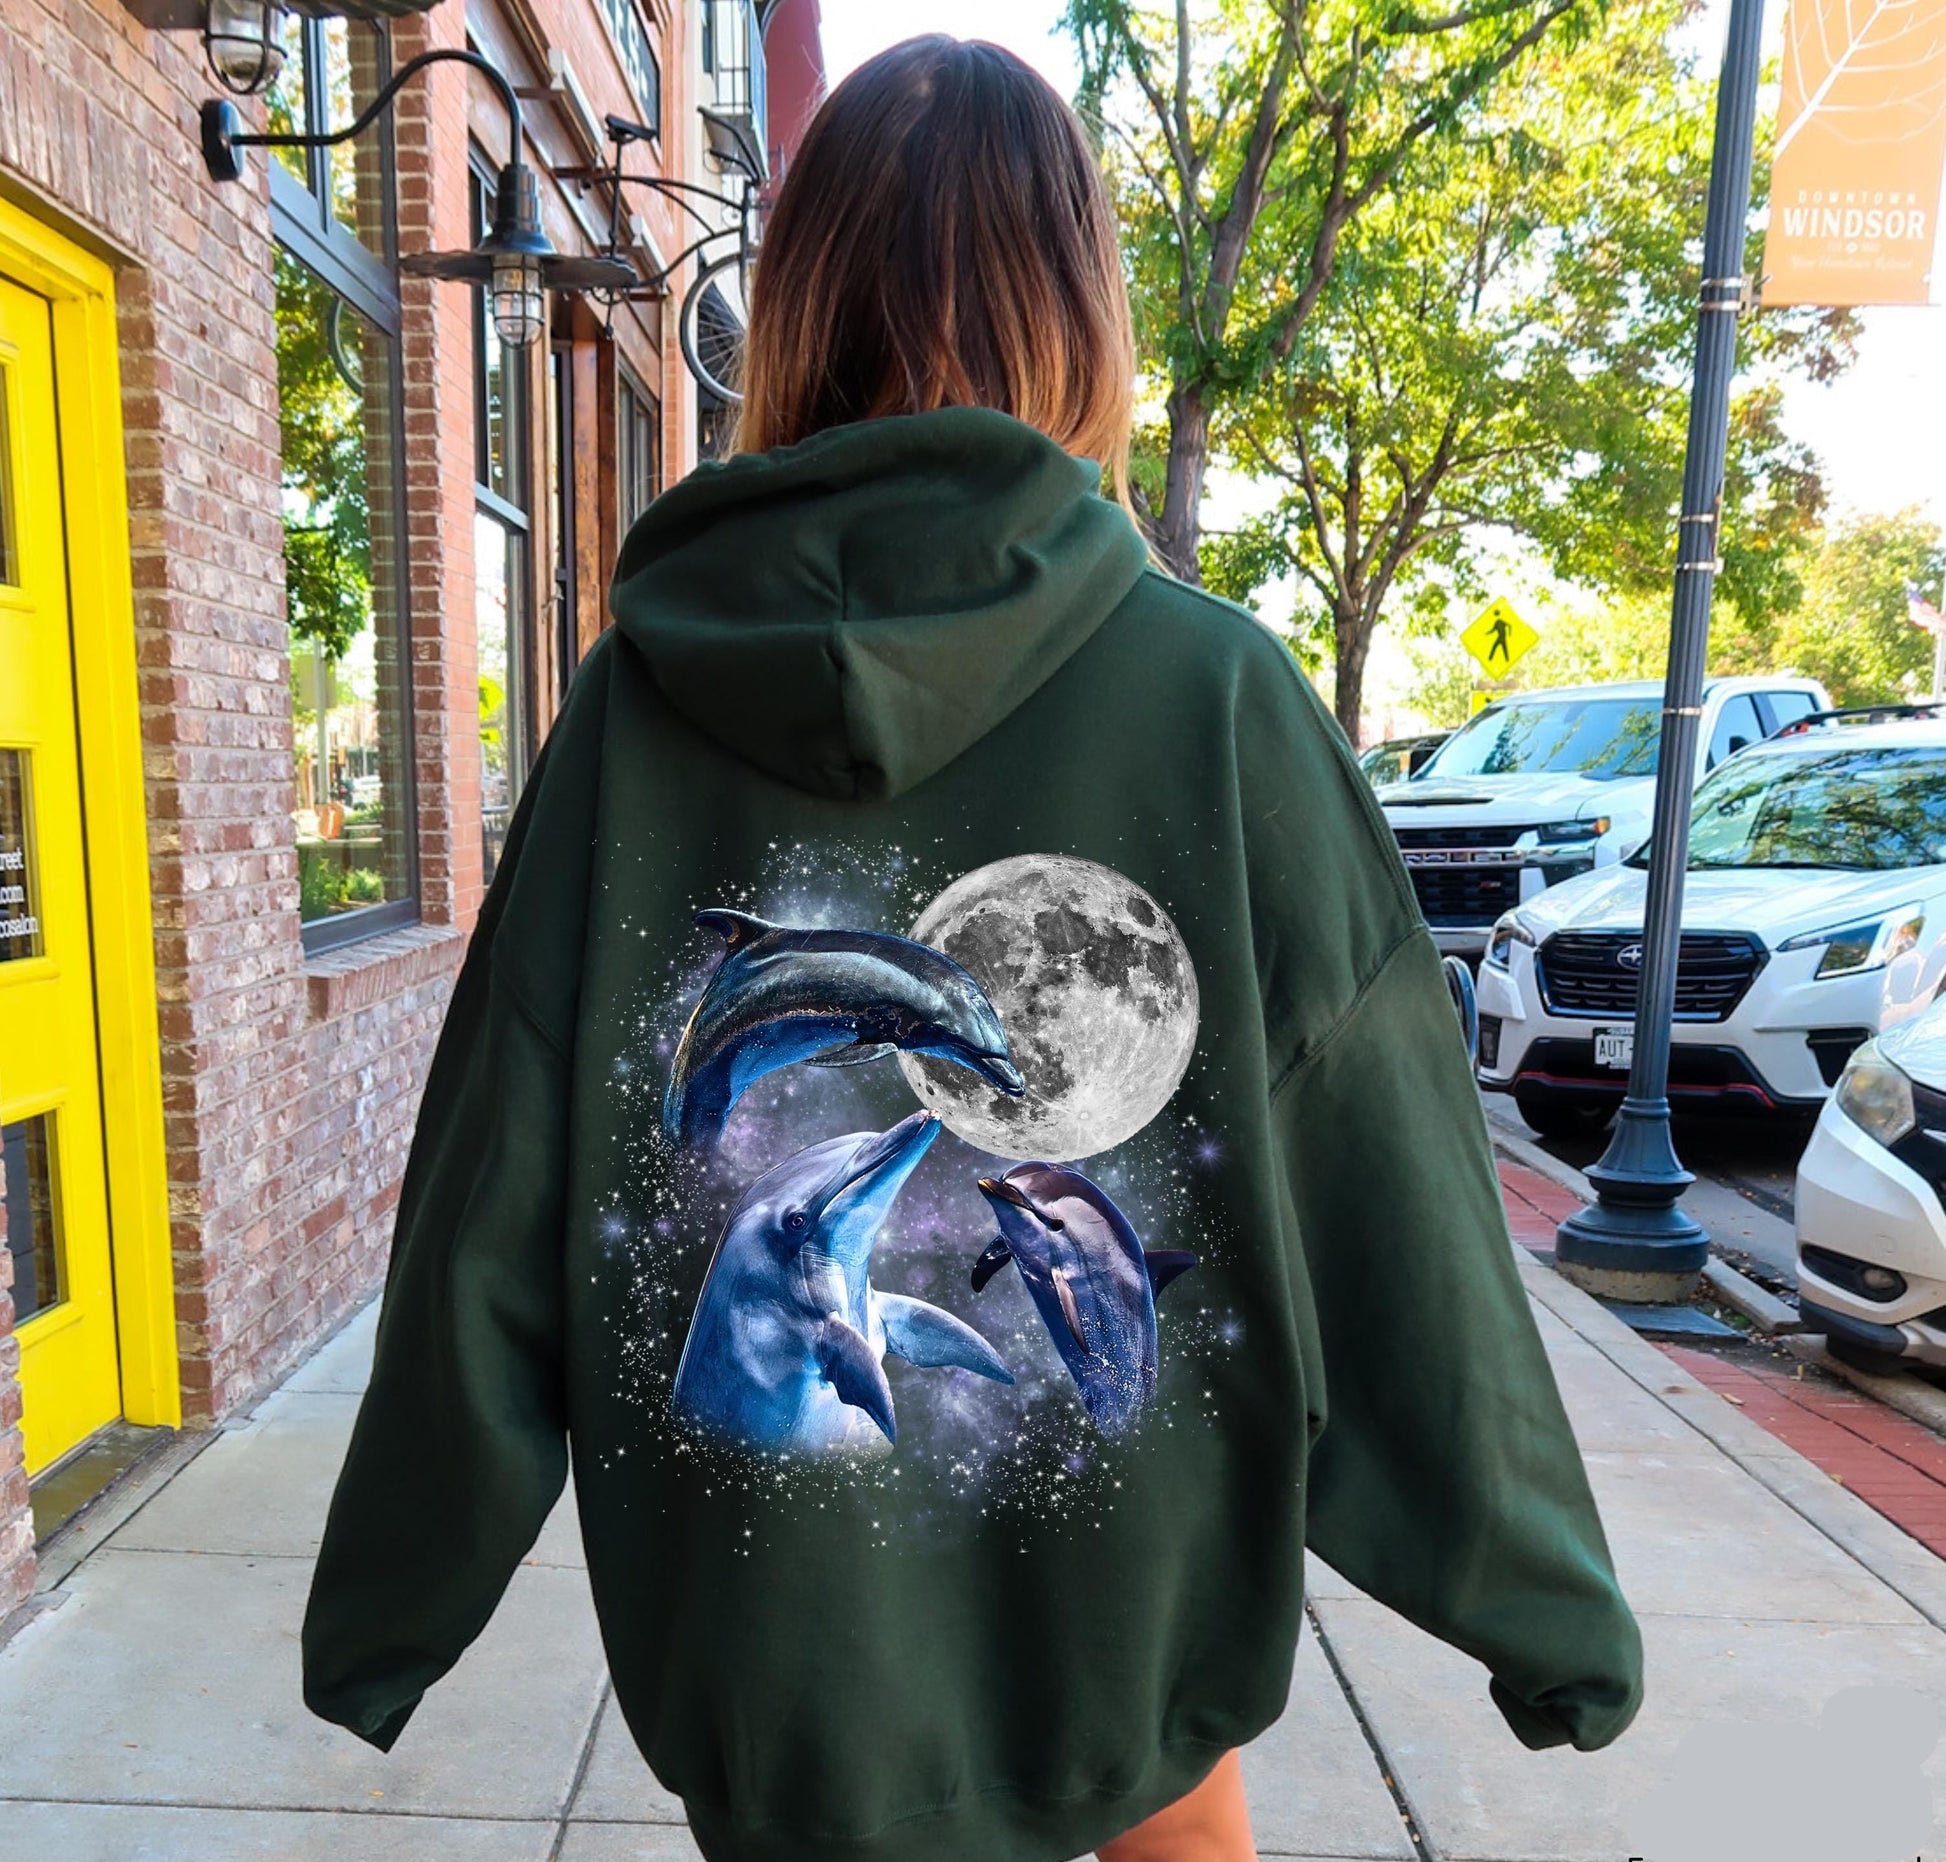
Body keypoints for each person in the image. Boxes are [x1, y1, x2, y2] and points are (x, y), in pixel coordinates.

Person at [302, 35, 1642, 1862]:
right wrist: (1540, 1601)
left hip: (775, 1682)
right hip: (1134, 1665)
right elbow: (1392, 1179)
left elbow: (486, 1192)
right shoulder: (1224, 698)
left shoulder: (627, 712)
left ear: (797, 309)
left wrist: (389, 1601)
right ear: (1082, 311)